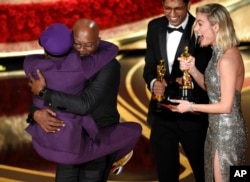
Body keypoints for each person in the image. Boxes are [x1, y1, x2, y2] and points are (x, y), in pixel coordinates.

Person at [26, 19, 142, 182]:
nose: (81, 50)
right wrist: (36, 113)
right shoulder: (63, 61)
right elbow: (39, 98)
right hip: (69, 137)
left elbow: (84, 104)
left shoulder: (109, 66)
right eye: (77, 44)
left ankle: (116, 158)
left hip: (98, 138)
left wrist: (45, 93)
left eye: (88, 45)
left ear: (99, 41)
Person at [169, 4, 248, 182]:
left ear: (216, 26)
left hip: (226, 133)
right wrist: (193, 69)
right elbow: (212, 89)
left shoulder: (227, 59)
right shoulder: (219, 54)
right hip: (216, 129)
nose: (196, 29)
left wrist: (189, 106)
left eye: (200, 23)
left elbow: (226, 106)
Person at [143, 0, 212, 181]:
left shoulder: (201, 27)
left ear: (188, 5)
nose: (172, 14)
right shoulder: (154, 26)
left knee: (204, 172)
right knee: (166, 175)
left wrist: (189, 80)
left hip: (193, 114)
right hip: (161, 113)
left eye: (178, 8)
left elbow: (209, 73)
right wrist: (153, 83)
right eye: (167, 8)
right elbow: (149, 67)